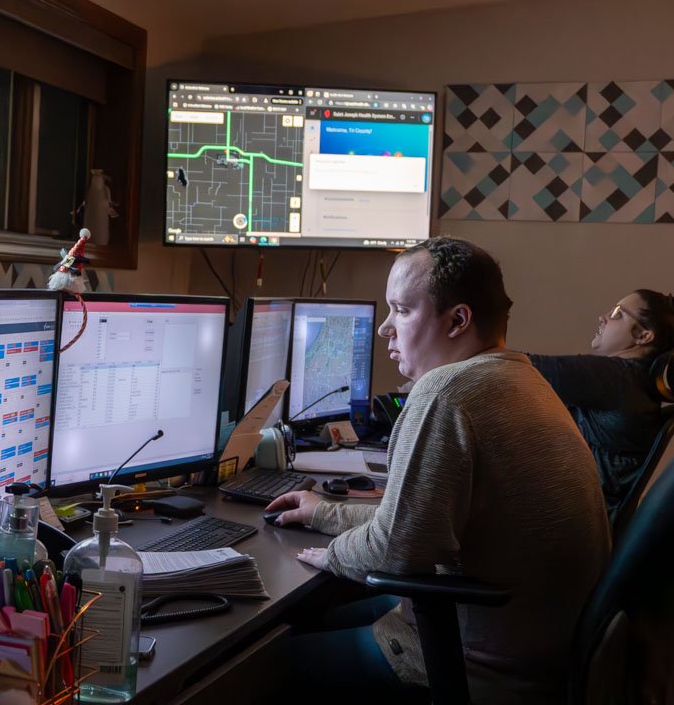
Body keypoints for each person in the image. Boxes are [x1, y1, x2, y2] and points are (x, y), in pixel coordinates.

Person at [266, 237, 610, 704]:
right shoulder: (521, 378)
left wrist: (333, 555)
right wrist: (323, 513)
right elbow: (416, 521)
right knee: (322, 618)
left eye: (402, 310)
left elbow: (396, 550)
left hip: (479, 667)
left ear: (457, 320)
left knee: (261, 669)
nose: (387, 328)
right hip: (536, 648)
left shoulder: (446, 393)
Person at [529, 290, 674, 521]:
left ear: (644, 336)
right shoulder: (637, 385)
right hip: (586, 531)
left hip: (567, 530)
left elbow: (516, 367)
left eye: (618, 313)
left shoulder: (617, 378)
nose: (603, 317)